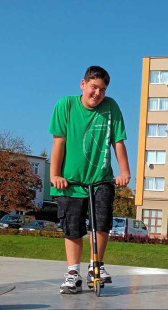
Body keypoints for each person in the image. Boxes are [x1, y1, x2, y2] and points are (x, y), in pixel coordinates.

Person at [49, 66, 131, 294]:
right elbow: (59, 143)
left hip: (101, 178)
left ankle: (96, 265)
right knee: (72, 227)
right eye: (94, 87)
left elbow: (118, 142)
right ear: (83, 84)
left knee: (102, 221)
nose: (97, 93)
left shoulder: (111, 107)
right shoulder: (65, 105)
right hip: (70, 181)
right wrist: (54, 175)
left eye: (102, 90)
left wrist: (124, 172)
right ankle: (73, 273)